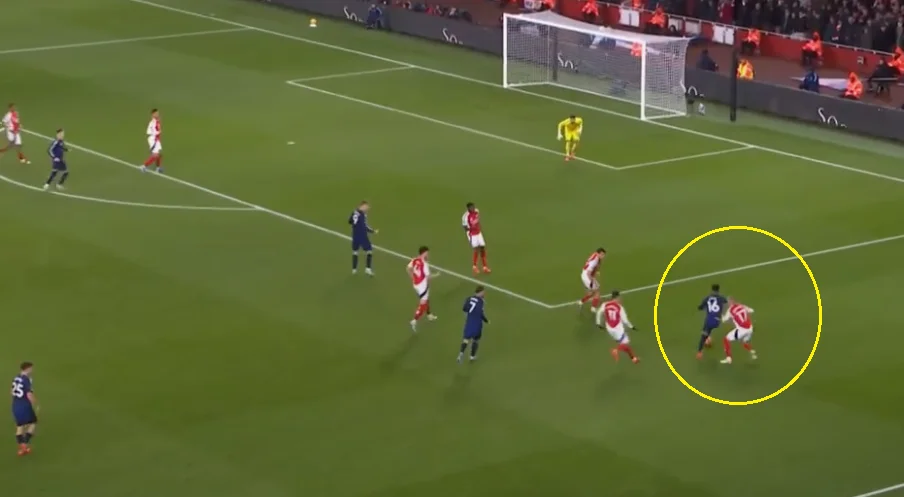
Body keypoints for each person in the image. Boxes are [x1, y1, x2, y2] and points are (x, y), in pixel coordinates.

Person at [596, 291, 639, 363]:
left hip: (610, 329)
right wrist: (632, 327)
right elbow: (625, 320)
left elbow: (599, 312)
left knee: (624, 344)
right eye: (619, 297)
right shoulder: (620, 307)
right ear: (617, 297)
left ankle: (634, 359)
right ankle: (616, 350)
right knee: (625, 343)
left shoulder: (605, 304)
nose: (620, 299)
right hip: (618, 329)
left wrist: (598, 323)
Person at [407, 246, 438, 331]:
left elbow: (408, 269)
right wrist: (436, 275)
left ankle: (429, 315)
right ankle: (414, 320)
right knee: (423, 305)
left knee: (426, 299)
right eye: (427, 253)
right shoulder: (424, 264)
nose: (428, 255)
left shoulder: (414, 260)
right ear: (424, 253)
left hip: (416, 284)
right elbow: (428, 277)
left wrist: (413, 278)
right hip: (422, 287)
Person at [11, 362, 38, 457]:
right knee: (33, 423)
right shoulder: (26, 379)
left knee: (20, 426)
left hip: (15, 405)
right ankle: (25, 444)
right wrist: (35, 403)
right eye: (31, 368)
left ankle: (23, 448)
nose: (32, 370)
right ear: (27, 368)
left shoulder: (16, 378)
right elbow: (29, 394)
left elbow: (12, 392)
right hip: (24, 406)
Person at [458, 286, 490, 363]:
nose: (484, 294)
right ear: (480, 292)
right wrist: (486, 320)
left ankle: (460, 354)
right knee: (475, 340)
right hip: (477, 323)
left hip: (469, 322)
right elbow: (481, 314)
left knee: (466, 339)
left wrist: (470, 313)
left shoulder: (468, 298)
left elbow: (464, 308)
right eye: (483, 292)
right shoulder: (481, 302)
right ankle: (472, 357)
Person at [720, 299, 757, 364]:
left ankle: (728, 358)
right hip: (750, 328)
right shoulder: (742, 306)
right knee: (745, 342)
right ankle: (752, 352)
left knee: (726, 339)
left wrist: (722, 316)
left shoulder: (730, 310)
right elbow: (752, 310)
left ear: (729, 304)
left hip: (741, 330)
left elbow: (724, 320)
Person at [696, 284, 727, 359]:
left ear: (712, 290)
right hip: (717, 321)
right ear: (718, 290)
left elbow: (700, 307)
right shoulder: (721, 298)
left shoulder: (707, 298)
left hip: (709, 320)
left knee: (704, 335)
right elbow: (725, 301)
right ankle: (708, 338)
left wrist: (703, 307)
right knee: (709, 329)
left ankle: (699, 352)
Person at [349, 200, 378, 275]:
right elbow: (365, 226)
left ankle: (354, 270)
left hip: (355, 235)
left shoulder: (355, 212)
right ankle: (368, 269)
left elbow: (350, 221)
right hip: (362, 236)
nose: (367, 208)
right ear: (362, 206)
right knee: (369, 251)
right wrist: (373, 231)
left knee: (355, 251)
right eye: (366, 207)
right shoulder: (361, 214)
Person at [462, 202, 490, 274]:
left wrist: (477, 227)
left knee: (482, 247)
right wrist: (472, 228)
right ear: (468, 208)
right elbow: (465, 227)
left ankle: (485, 267)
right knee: (476, 249)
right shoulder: (465, 217)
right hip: (472, 234)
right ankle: (474, 266)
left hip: (478, 232)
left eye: (473, 207)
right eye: (471, 207)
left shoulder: (476, 211)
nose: (473, 208)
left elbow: (477, 219)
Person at [142, 108, 162, 173]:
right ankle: (144, 166)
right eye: (156, 113)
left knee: (159, 155)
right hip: (154, 139)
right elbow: (152, 132)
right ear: (153, 114)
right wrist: (158, 132)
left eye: (158, 113)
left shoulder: (156, 121)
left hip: (156, 139)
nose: (157, 114)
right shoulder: (153, 122)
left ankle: (158, 168)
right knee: (155, 155)